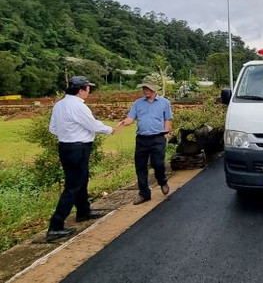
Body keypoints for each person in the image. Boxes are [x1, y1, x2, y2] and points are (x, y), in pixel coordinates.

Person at [46, 76, 114, 242]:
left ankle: (84, 211)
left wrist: (67, 134)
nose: (89, 91)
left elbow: (53, 128)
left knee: (81, 180)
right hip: (78, 148)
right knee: (73, 185)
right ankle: (55, 225)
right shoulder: (78, 106)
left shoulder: (59, 105)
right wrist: (110, 129)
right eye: (88, 88)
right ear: (81, 90)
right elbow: (92, 125)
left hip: (65, 147)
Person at [116, 76, 173, 205]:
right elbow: (131, 118)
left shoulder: (164, 103)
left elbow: (167, 119)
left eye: (147, 88)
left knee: (158, 163)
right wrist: (124, 122)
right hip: (142, 139)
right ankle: (144, 194)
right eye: (144, 88)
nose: (145, 90)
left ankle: (162, 181)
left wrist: (165, 134)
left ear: (153, 89)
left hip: (158, 137)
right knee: (140, 167)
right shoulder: (137, 103)